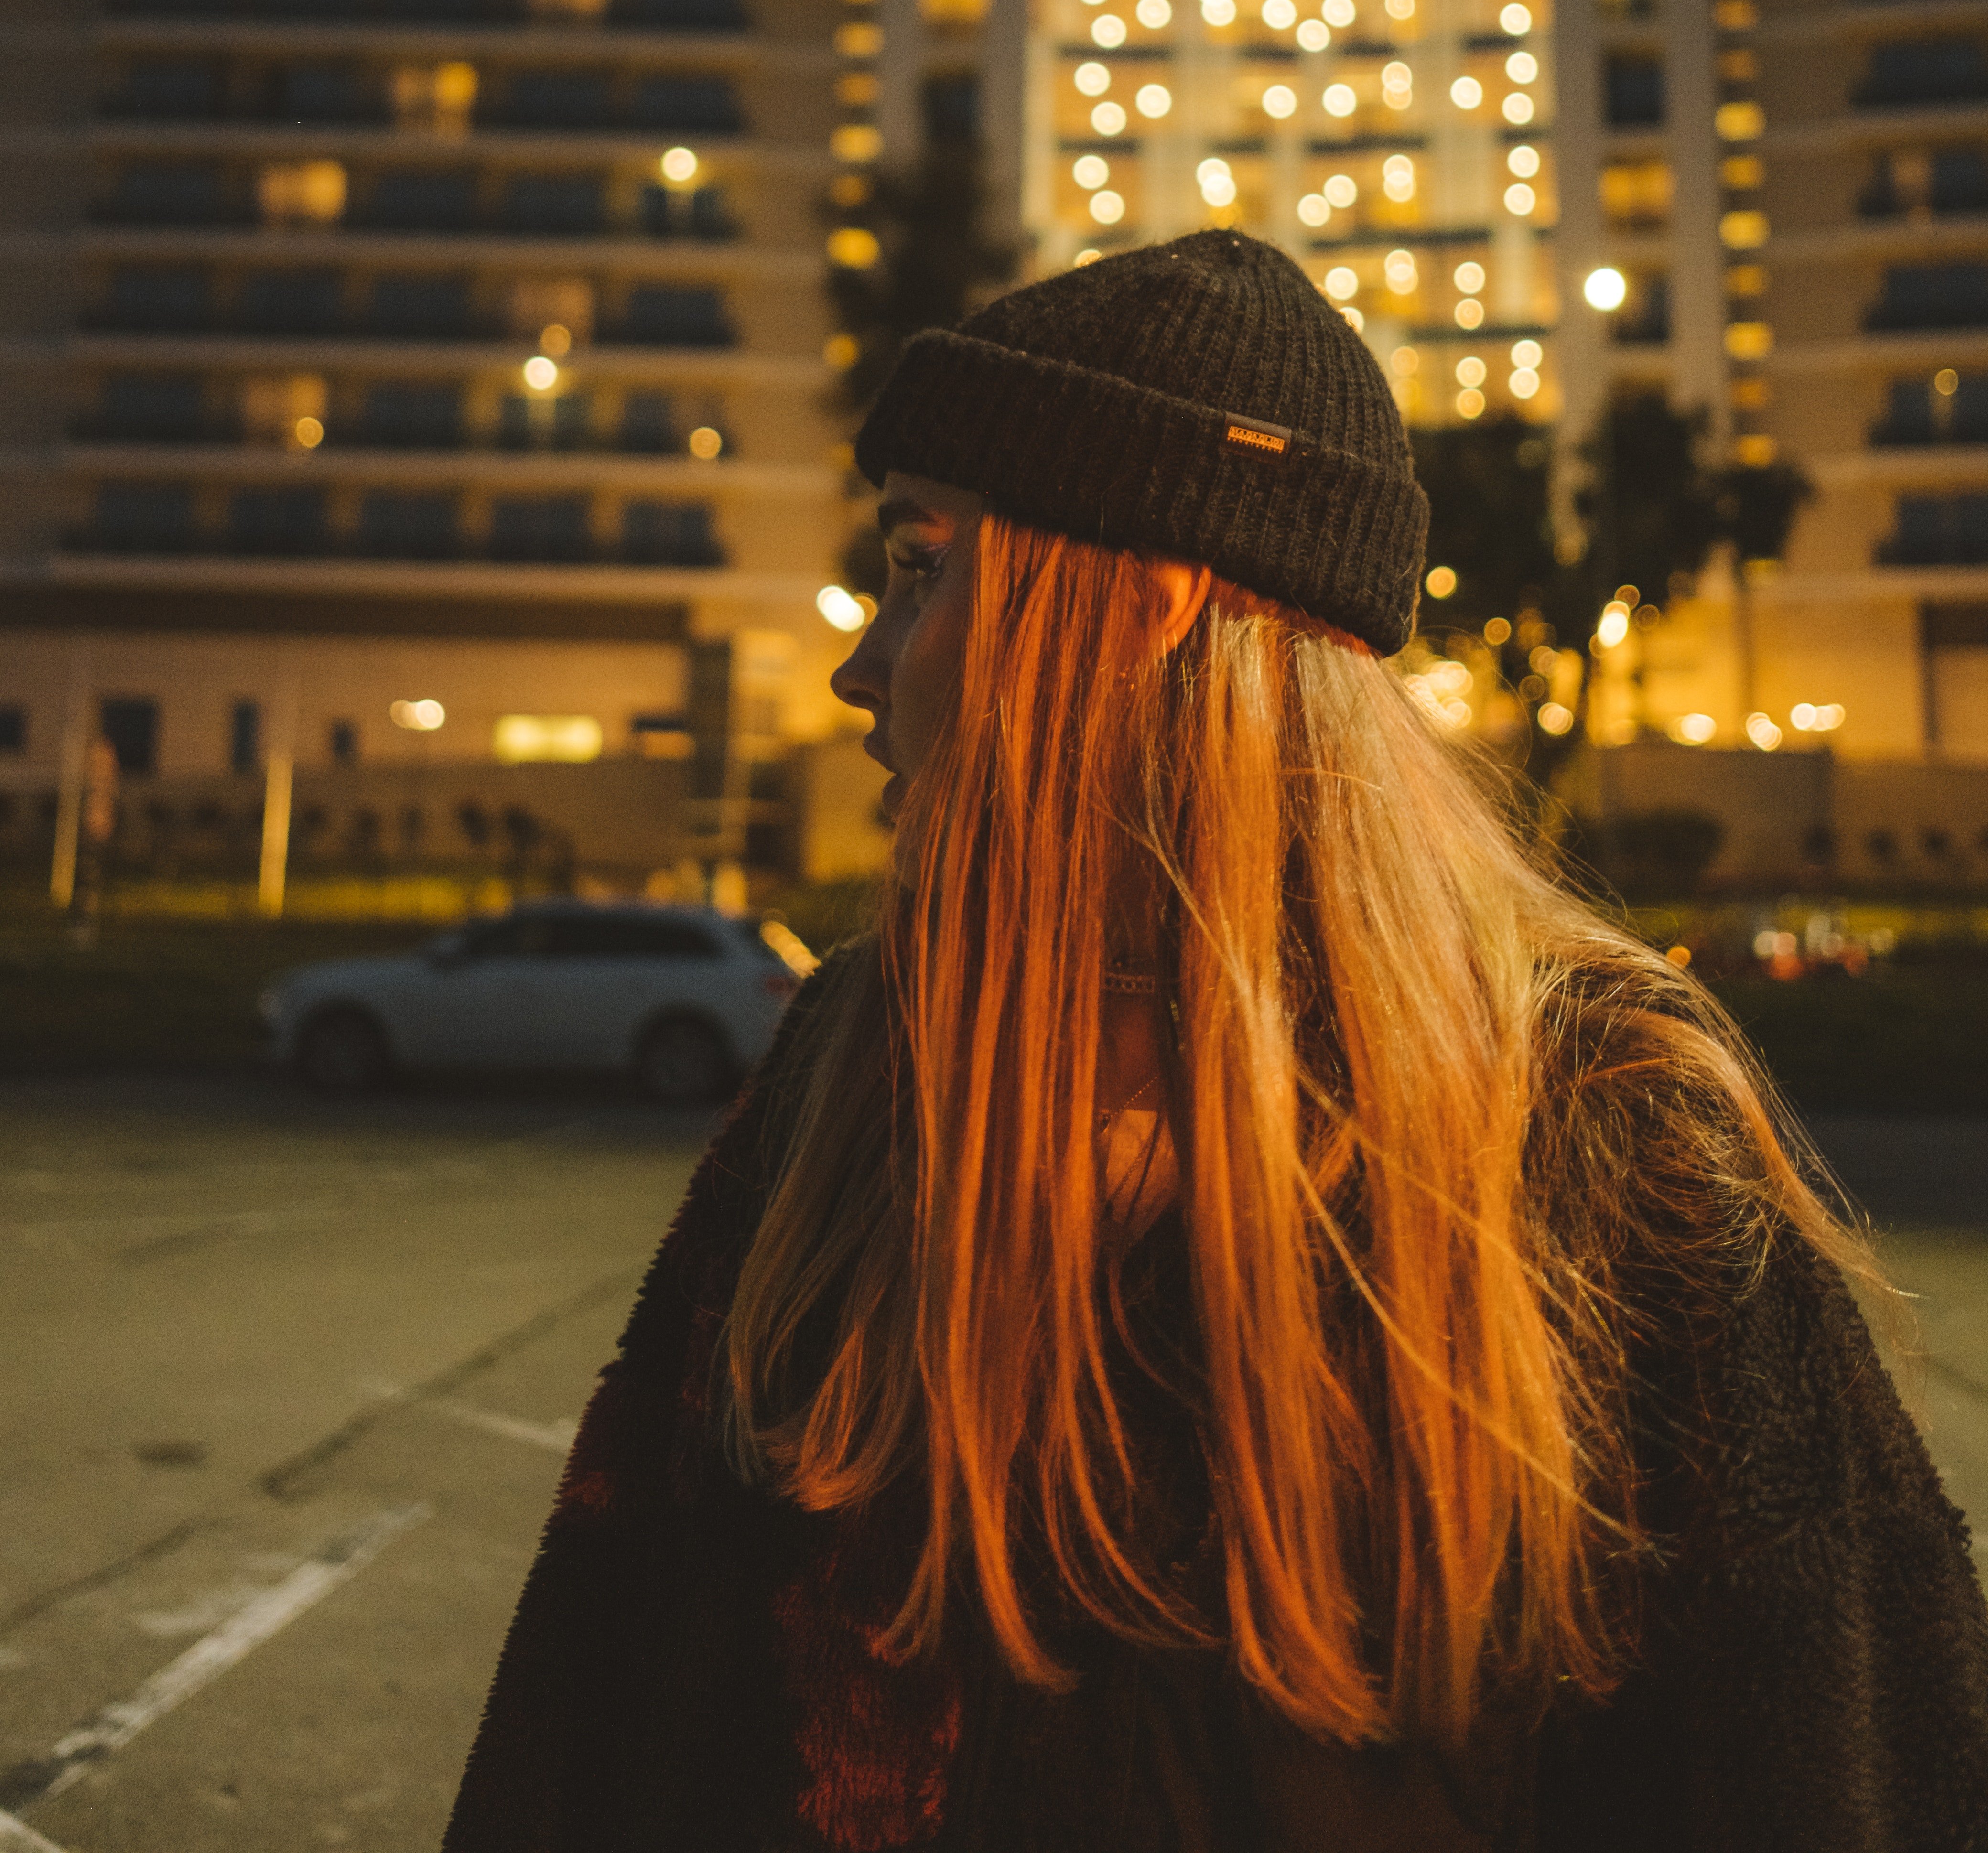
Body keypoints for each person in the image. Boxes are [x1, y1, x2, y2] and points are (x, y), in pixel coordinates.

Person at [445, 230, 1988, 1852]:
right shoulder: (851, 1068)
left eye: (919, 568)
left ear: (1145, 607)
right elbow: (607, 1713)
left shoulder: (1604, 1139)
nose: (861, 665)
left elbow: (1856, 1768)